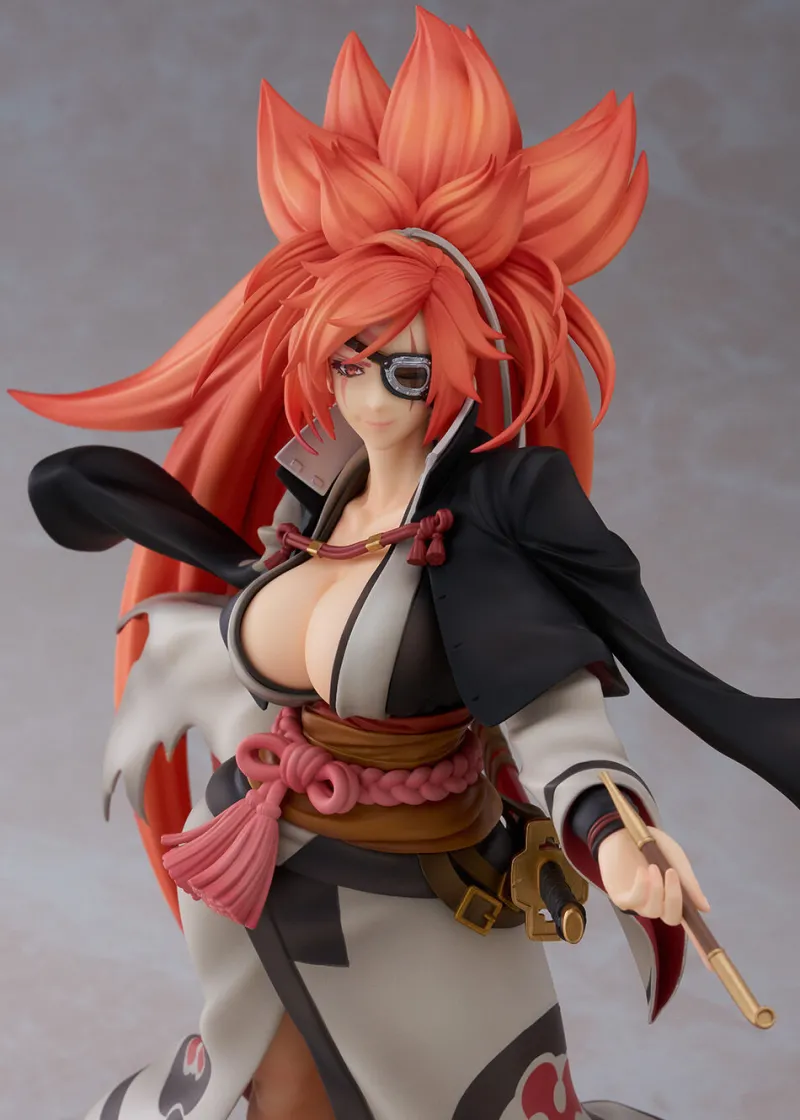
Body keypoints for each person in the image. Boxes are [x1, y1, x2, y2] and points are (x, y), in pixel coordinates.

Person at [12, 9, 798, 1120]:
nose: (370, 390)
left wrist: (610, 832)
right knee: (265, 1093)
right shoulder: (314, 494)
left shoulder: (478, 532)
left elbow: (548, 709)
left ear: (466, 369)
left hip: (411, 911)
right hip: (262, 875)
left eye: (407, 370)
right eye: (351, 357)